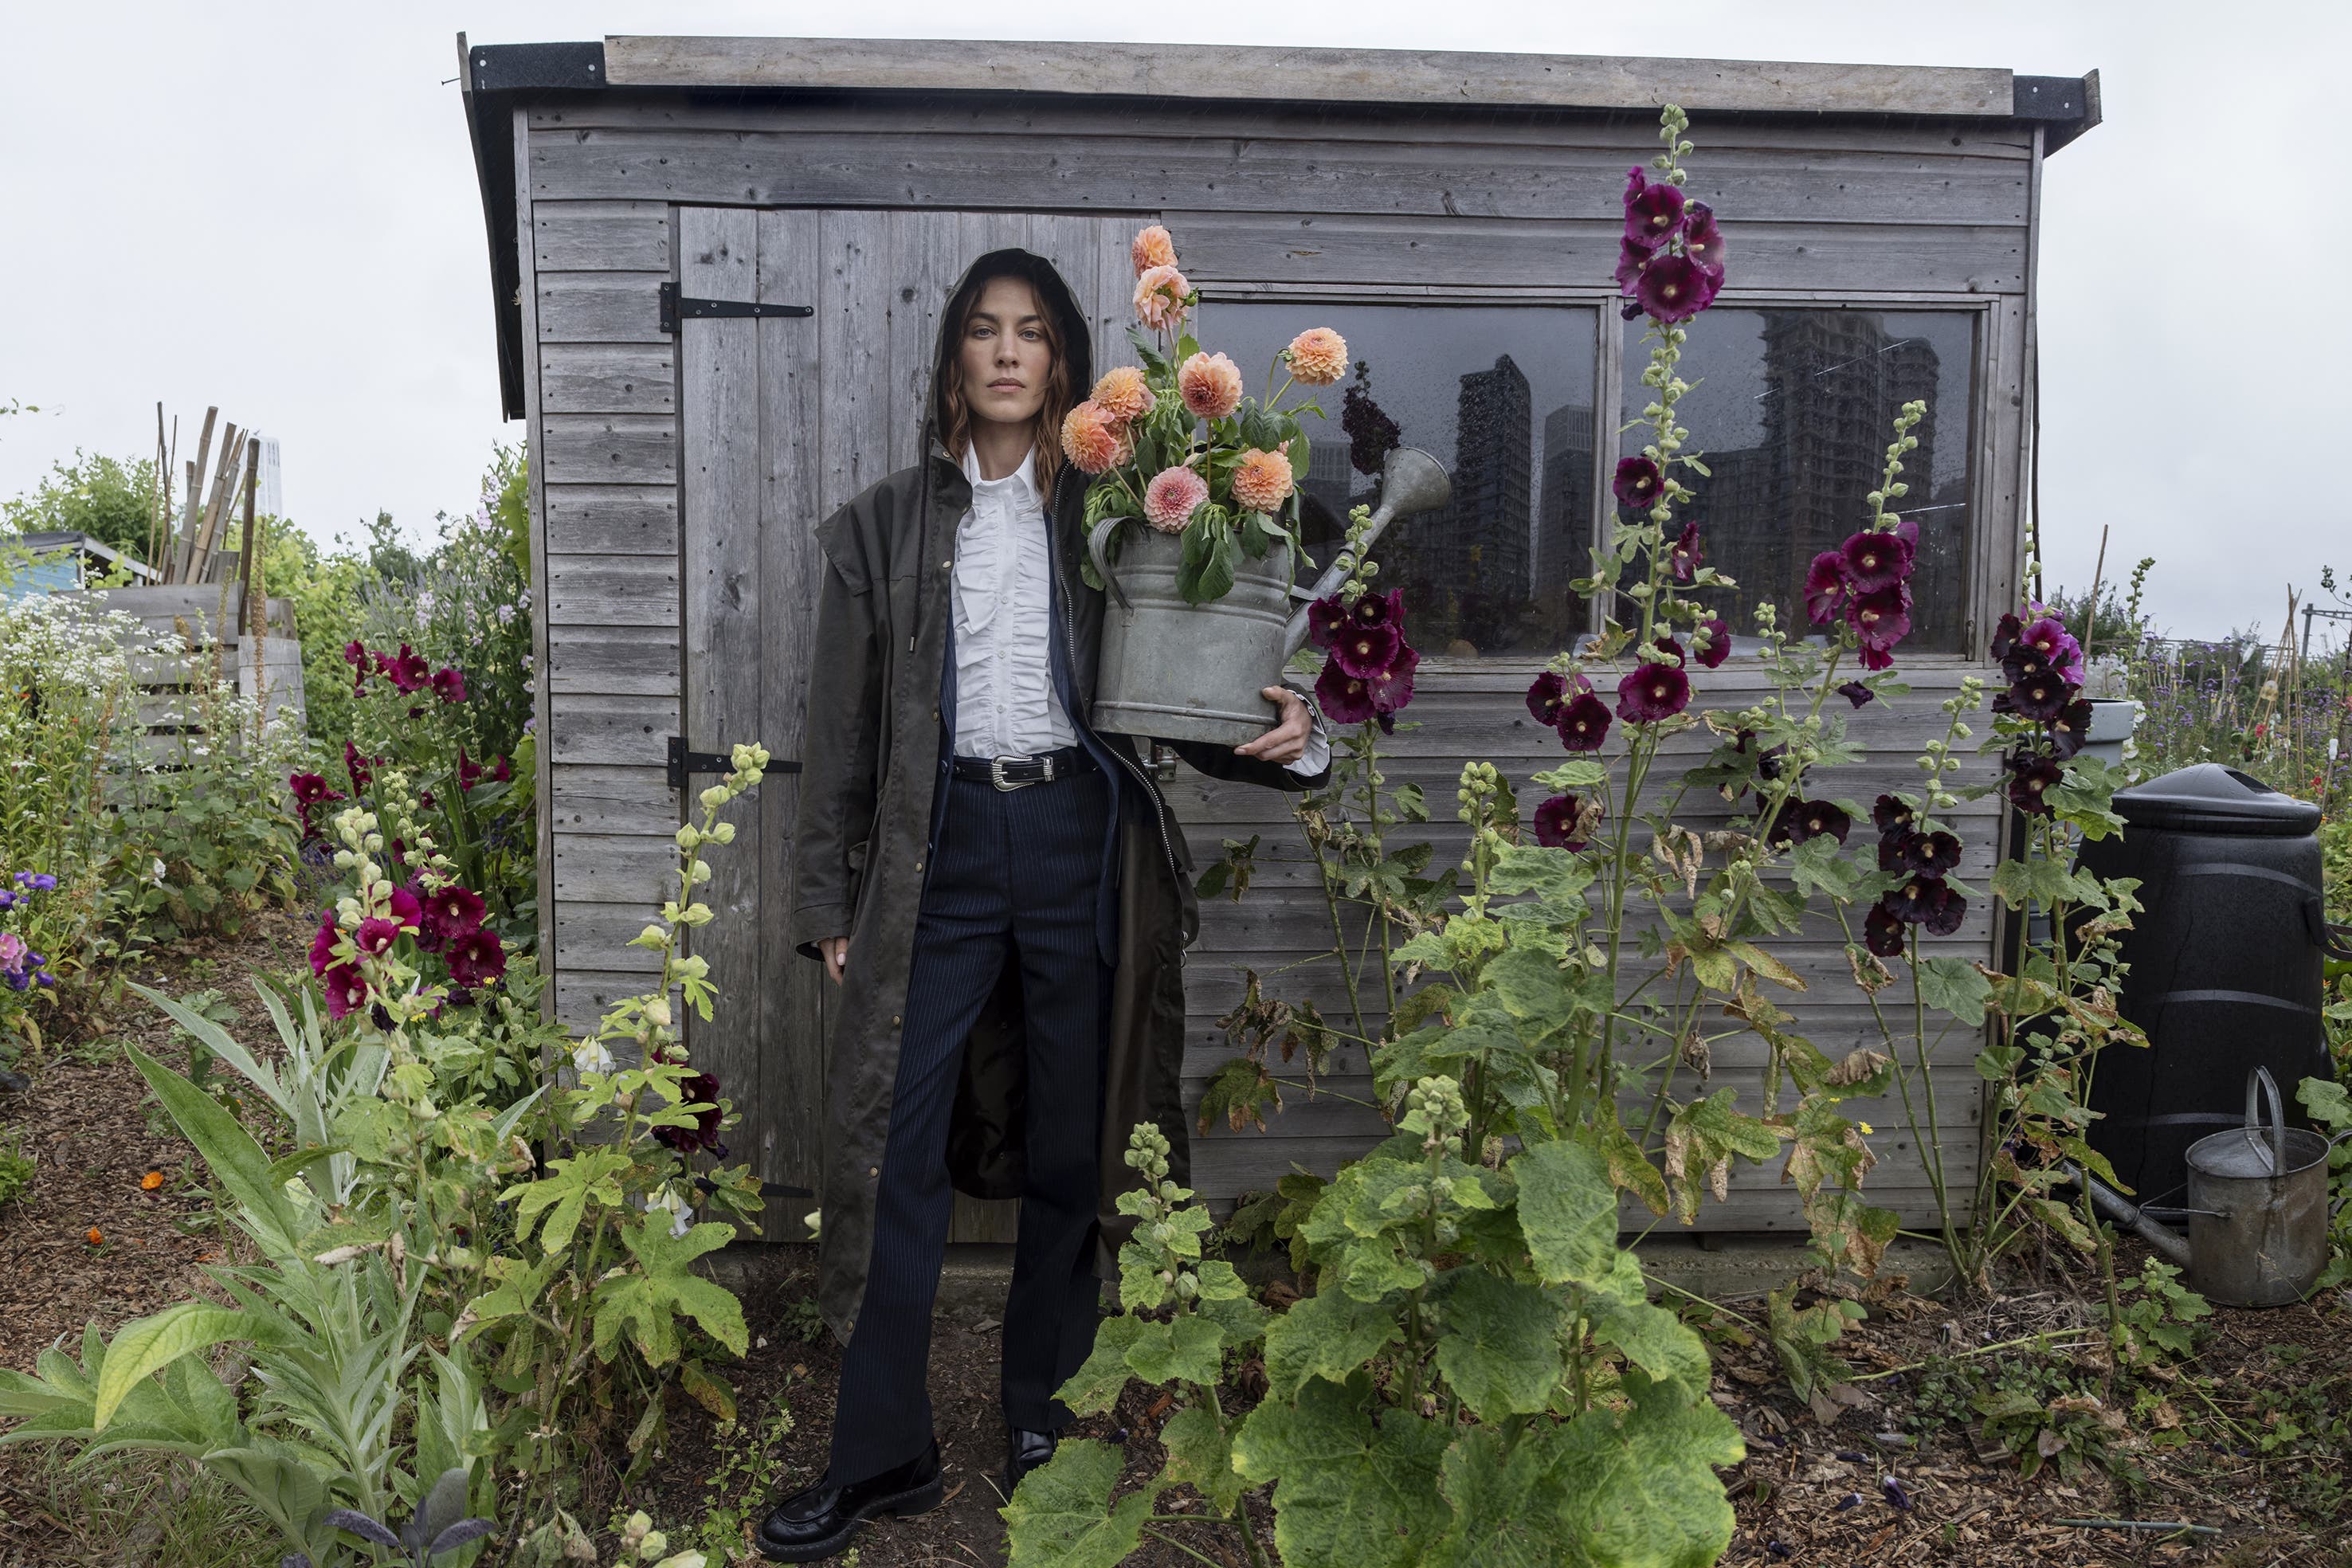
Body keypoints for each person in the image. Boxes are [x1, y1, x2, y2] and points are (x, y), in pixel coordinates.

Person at [758, 249, 1328, 1563]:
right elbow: (837, 734)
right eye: (982, 332)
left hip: (1081, 835)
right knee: (891, 1146)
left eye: (1031, 334)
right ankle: (882, 1452)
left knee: (1079, 1135)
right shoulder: (877, 529)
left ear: (1066, 365)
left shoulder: (1123, 521)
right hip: (937, 853)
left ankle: (1044, 1421)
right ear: (954, 359)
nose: (1007, 353)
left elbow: (1178, 686)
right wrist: (829, 899)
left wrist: (1288, 730)